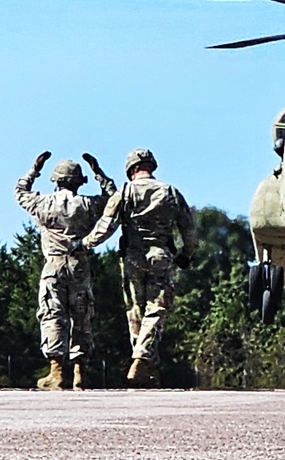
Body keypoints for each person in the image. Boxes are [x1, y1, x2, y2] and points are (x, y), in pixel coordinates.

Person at [74, 148, 197, 387]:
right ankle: (142, 360)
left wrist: (85, 244)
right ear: (152, 166)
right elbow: (189, 229)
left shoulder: (125, 192)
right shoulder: (170, 191)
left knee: (135, 311)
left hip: (132, 256)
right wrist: (187, 255)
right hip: (161, 254)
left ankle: (144, 365)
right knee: (156, 309)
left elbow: (106, 225)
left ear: (131, 169)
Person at [14, 151, 116, 391]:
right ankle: (80, 371)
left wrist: (34, 169)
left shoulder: (44, 203)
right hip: (79, 263)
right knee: (82, 316)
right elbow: (113, 199)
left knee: (52, 315)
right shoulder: (89, 205)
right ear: (79, 182)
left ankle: (56, 372)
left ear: (56, 181)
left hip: (54, 265)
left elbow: (20, 193)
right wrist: (99, 173)